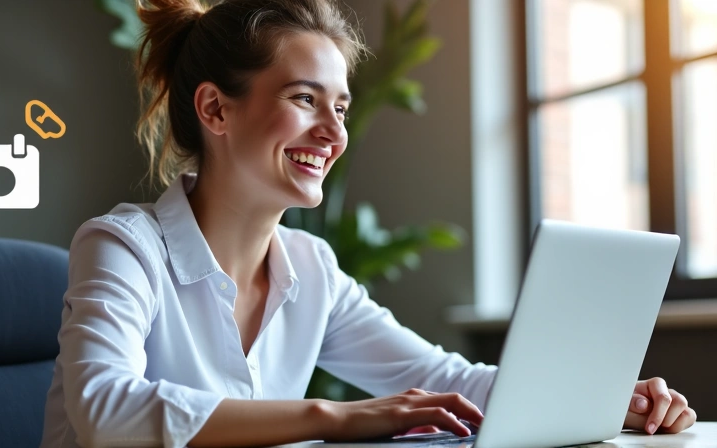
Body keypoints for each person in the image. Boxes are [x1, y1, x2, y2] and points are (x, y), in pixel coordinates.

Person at [39, 0, 697, 446]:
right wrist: (335, 416)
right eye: (305, 99)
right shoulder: (123, 246)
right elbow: (105, 410)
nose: (332, 133)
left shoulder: (311, 271)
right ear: (215, 109)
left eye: (342, 108)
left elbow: (449, 384)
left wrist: (613, 398)